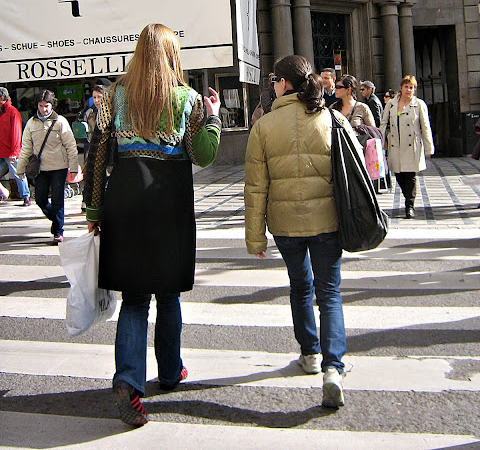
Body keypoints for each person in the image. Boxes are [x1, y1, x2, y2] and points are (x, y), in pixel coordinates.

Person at [84, 23, 221, 427]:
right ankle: (170, 371)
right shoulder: (187, 98)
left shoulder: (113, 96)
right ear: (172, 56)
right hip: (169, 202)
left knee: (135, 298)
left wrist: (94, 211)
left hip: (124, 200)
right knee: (168, 293)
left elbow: (97, 154)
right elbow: (203, 155)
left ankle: (128, 382)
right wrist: (213, 118)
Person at [245, 55, 362, 409]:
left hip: (285, 225)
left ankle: (309, 353)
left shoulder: (264, 126)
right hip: (327, 221)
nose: (272, 85)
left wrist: (255, 237)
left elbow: (255, 187)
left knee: (300, 286)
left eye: (274, 80)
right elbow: (355, 168)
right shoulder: (332, 118)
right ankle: (333, 368)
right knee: (329, 292)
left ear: (283, 84)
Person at [17, 91, 79, 243]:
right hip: (41, 168)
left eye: (47, 106)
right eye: (41, 106)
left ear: (52, 105)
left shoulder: (60, 121)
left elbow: (71, 146)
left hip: (59, 167)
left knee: (58, 199)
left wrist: (73, 168)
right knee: (40, 199)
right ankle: (56, 219)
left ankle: (58, 231)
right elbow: (26, 148)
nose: (44, 109)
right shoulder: (31, 123)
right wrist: (20, 169)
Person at [380, 75, 434, 219]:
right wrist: (380, 142)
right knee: (399, 175)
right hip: (395, 144)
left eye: (412, 88)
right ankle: (408, 197)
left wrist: (428, 147)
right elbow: (384, 123)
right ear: (401, 88)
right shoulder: (391, 104)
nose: (409, 90)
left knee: (410, 176)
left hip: (411, 146)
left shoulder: (419, 104)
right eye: (406, 87)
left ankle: (409, 205)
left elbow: (425, 127)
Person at [0, 87, 31, 206]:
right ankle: (24, 196)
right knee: (18, 173)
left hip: (9, 150)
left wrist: (14, 151)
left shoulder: (12, 112)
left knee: (19, 173)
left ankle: (26, 196)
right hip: (4, 150)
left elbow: (16, 133)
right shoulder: (6, 111)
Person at [79, 85, 107, 212]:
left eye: (99, 97)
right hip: (93, 151)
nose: (96, 100)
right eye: (94, 97)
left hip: (108, 153)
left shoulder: (112, 113)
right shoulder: (90, 114)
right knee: (91, 179)